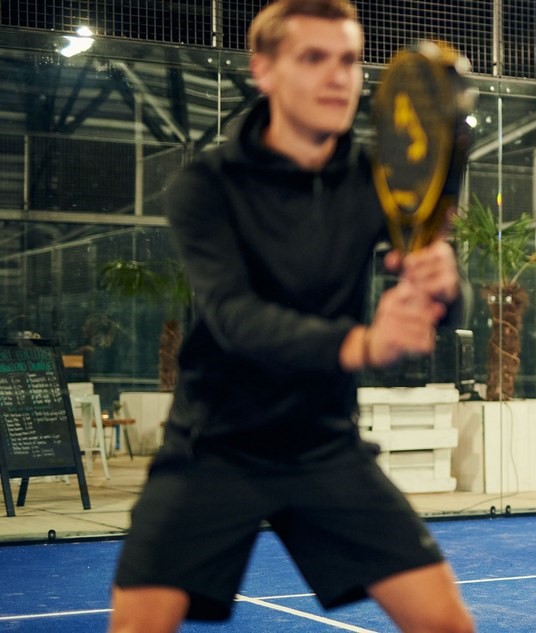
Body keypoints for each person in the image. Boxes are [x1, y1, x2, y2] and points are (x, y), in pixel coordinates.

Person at [108, 1, 474, 631]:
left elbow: (435, 307)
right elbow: (235, 318)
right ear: (264, 71)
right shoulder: (206, 186)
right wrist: (363, 344)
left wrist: (446, 286)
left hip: (324, 445)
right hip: (213, 446)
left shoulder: (373, 179)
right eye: (313, 58)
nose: (338, 77)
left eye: (350, 60)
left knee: (447, 624)